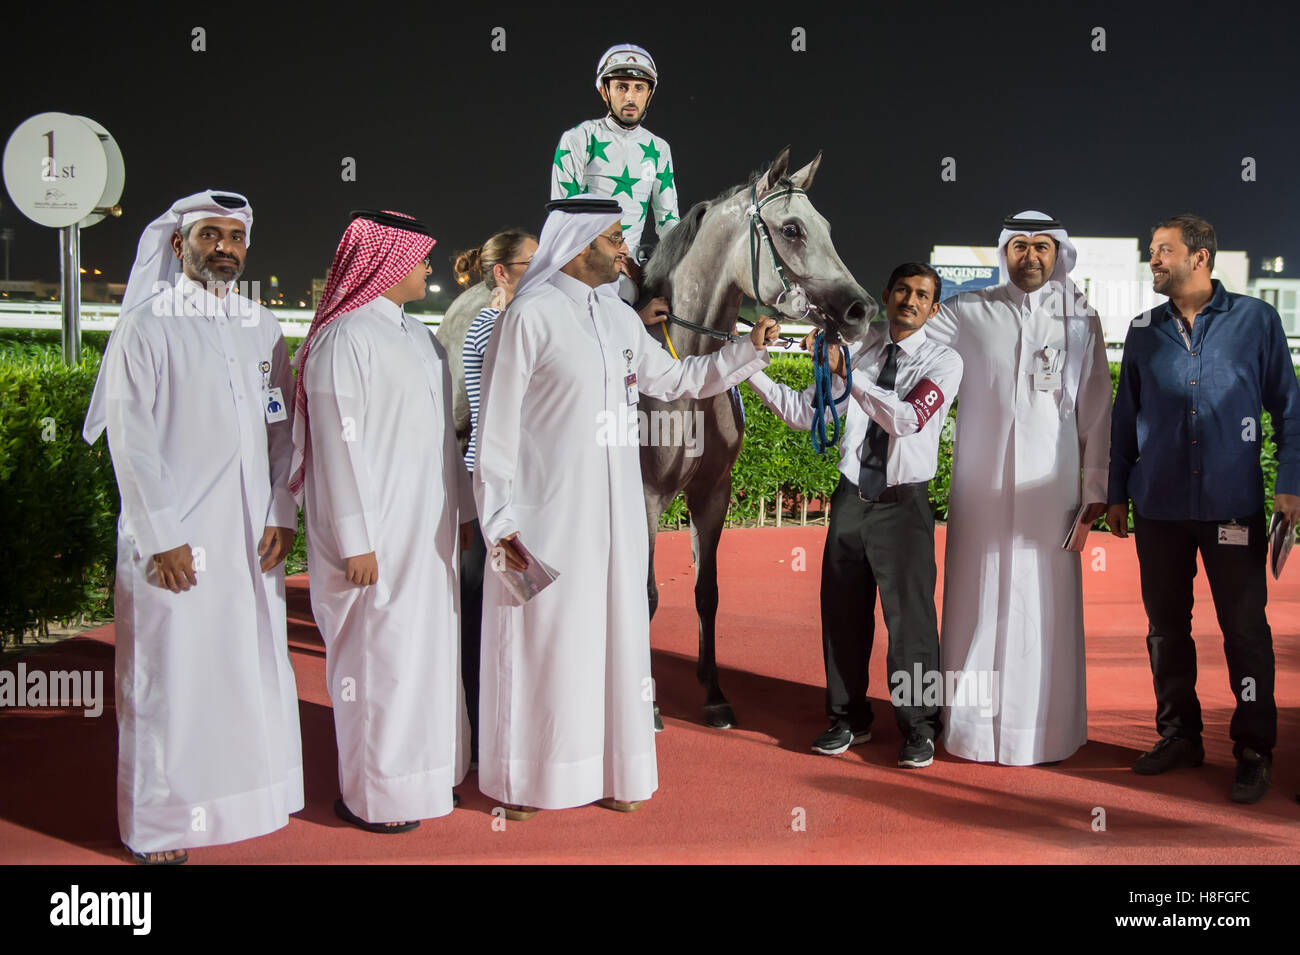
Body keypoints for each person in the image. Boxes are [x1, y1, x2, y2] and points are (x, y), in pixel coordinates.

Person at [473, 195, 780, 818]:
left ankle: (611, 770)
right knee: (544, 648)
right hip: (543, 523)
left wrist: (746, 350)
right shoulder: (528, 318)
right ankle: (530, 779)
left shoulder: (618, 321)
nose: (625, 251)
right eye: (614, 239)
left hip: (616, 528)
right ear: (581, 243)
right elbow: (495, 436)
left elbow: (675, 381)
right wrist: (500, 531)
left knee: (612, 647)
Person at [82, 190, 303, 864]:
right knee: (168, 679)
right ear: (179, 246)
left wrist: (281, 510)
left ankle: (246, 801)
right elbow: (133, 438)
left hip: (248, 542)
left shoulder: (261, 326)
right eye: (210, 235)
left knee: (242, 672)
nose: (225, 248)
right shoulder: (147, 326)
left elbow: (281, 428)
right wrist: (161, 535)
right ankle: (161, 827)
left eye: (235, 237)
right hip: (174, 543)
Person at [1107, 214, 1300, 804]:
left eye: (1163, 250)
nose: (1153, 260)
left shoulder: (1256, 322)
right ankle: (1179, 735)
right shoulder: (1143, 330)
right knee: (1166, 631)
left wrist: (1290, 484)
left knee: (1245, 632)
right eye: (1150, 251)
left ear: (1200, 257)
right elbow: (1123, 418)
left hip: (1232, 508)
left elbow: (1290, 412)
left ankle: (1253, 748)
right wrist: (1117, 490)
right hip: (1159, 506)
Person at [290, 210, 472, 831]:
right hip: (373, 542)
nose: (427, 267)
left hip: (427, 536)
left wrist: (465, 512)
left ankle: (425, 778)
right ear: (387, 263)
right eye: (419, 256)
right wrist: (355, 541)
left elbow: (444, 443)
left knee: (422, 659)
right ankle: (372, 795)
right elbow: (336, 452)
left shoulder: (416, 337)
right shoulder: (344, 339)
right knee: (378, 663)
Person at [748, 264, 962, 769]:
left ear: (934, 308)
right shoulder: (859, 349)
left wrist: (851, 373)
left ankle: (919, 727)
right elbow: (806, 414)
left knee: (911, 626)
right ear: (886, 296)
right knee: (842, 618)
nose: (910, 300)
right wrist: (749, 365)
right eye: (903, 291)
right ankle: (847, 718)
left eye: (923, 295)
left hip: (903, 503)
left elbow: (907, 419)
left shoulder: (944, 360)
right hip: (850, 500)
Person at [925, 210, 1112, 766]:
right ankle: (971, 731)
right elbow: (901, 338)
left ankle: (1045, 730)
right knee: (974, 598)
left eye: (1042, 248)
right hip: (978, 491)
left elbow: (1097, 413)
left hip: (1050, 495)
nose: (1030, 257)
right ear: (1004, 252)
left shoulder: (1081, 319)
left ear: (1057, 255)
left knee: (1044, 599)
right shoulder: (967, 312)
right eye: (1020, 247)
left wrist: (1096, 488)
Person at [454, 229, 538, 766]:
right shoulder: (492, 325)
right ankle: (485, 740)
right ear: (502, 272)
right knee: (485, 621)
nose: (544, 266)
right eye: (531, 262)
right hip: (493, 496)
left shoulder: (518, 321)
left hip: (517, 493)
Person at [551, 43, 676, 324]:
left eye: (638, 88)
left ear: (649, 93)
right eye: (621, 87)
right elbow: (565, 217)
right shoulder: (577, 139)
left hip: (629, 269)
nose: (630, 96)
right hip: (582, 265)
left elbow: (669, 223)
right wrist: (613, 259)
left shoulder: (659, 148)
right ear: (604, 91)